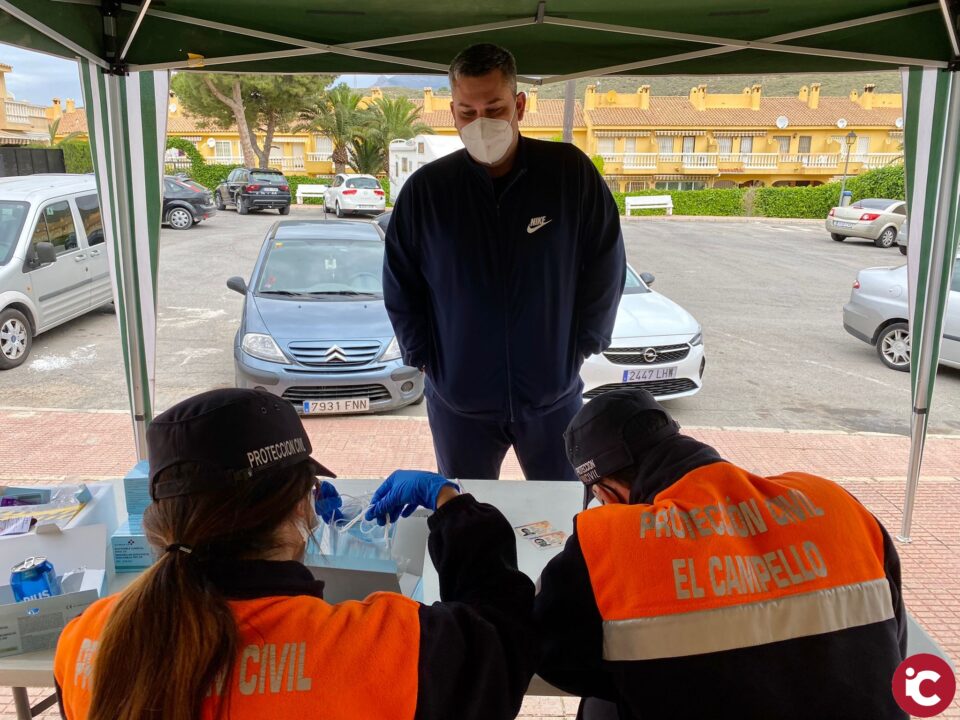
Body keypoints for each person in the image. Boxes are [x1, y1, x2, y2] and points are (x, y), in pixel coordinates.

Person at [54, 388, 536, 720]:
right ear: (300, 506)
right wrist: (451, 505)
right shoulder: (371, 648)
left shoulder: (87, 641)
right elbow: (501, 638)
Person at [534, 387, 907, 720]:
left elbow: (556, 656)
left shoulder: (610, 539)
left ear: (608, 494)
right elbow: (895, 640)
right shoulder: (834, 502)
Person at [383, 43, 625, 482]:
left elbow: (606, 264)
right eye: (467, 112)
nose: (481, 123)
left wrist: (584, 343)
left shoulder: (568, 175)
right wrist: (423, 357)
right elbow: (401, 283)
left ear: (519, 105)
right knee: (467, 520)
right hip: (460, 404)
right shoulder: (427, 192)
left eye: (493, 108)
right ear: (452, 112)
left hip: (553, 397)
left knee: (566, 515)